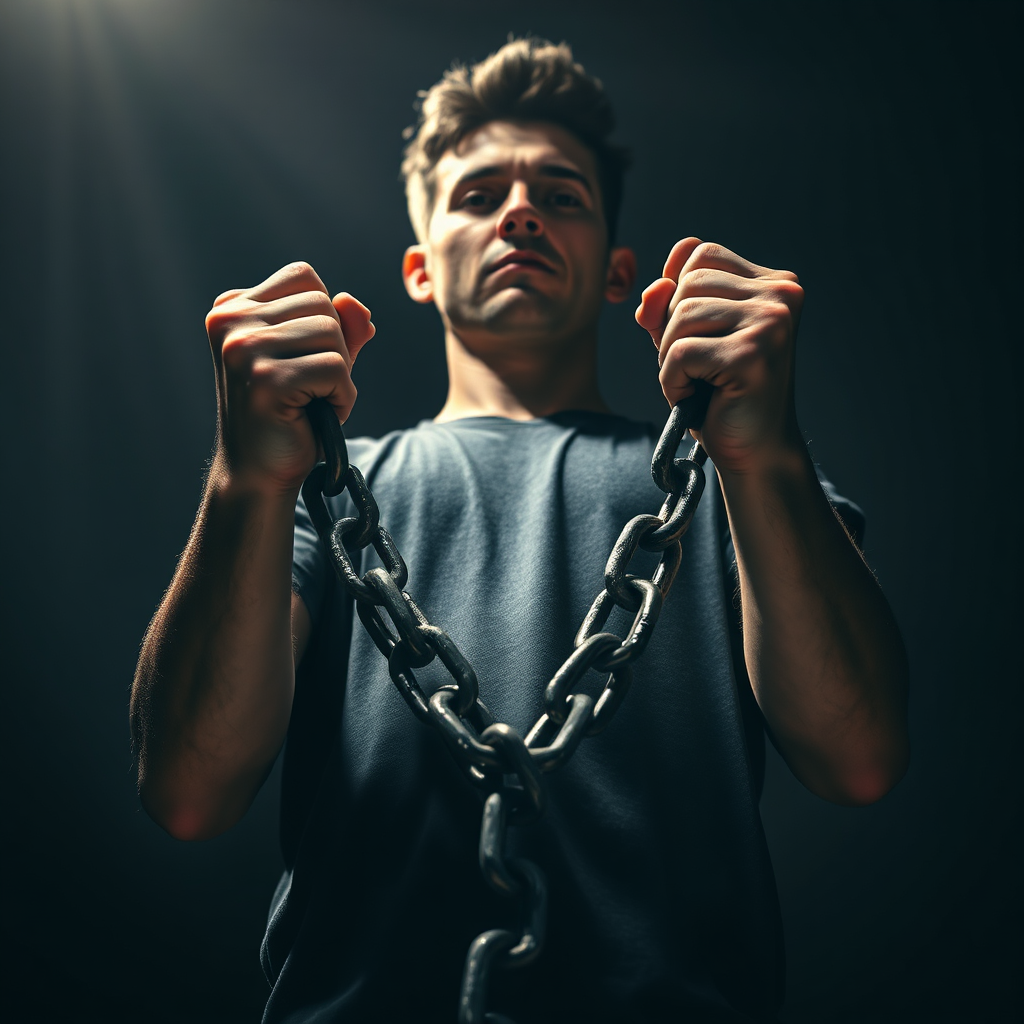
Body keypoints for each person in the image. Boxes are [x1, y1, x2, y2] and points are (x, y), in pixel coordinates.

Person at [131, 38, 909, 1024]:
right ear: (420, 268)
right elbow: (188, 791)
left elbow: (858, 756)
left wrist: (773, 457)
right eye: (477, 194)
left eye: (561, 194)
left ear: (619, 271)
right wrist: (244, 481)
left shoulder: (734, 483)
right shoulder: (321, 491)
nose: (520, 212)